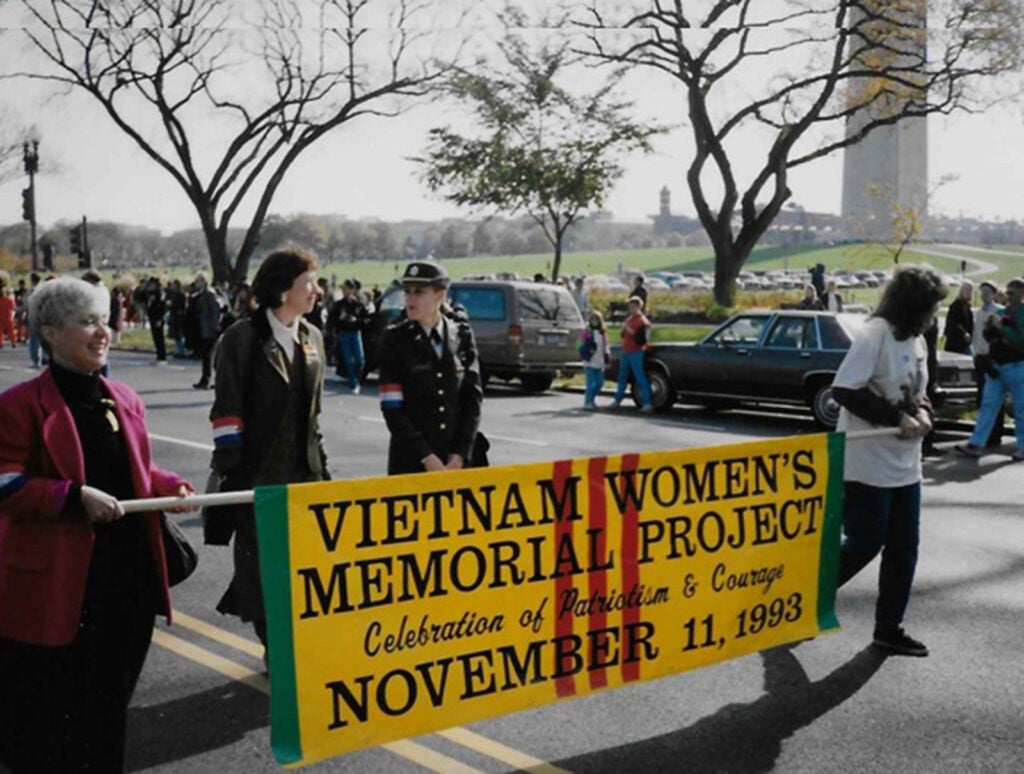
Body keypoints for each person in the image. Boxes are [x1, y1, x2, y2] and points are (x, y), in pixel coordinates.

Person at [0, 277, 195, 773]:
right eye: (87, 321)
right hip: (57, 589)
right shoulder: (19, 405)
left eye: (104, 319)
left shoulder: (123, 397)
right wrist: (71, 497)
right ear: (50, 332)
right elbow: (5, 483)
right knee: (48, 721)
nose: (103, 331)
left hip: (126, 584)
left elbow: (132, 470)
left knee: (108, 714)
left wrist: (167, 485)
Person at [204, 247, 330, 663]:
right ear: (281, 290)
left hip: (305, 477)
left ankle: (292, 646)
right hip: (258, 478)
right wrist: (235, 475)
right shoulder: (241, 339)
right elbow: (226, 413)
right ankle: (278, 651)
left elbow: (313, 416)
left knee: (304, 569)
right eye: (307, 283)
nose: (316, 290)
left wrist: (322, 472)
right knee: (265, 571)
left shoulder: (312, 337)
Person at [831, 264, 947, 657]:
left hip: (904, 463)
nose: (933, 315)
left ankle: (889, 628)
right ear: (911, 304)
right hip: (866, 460)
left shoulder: (917, 340)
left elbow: (919, 392)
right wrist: (896, 417)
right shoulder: (874, 334)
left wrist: (925, 413)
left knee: (904, 547)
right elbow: (844, 389)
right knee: (865, 543)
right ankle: (804, 596)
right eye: (929, 307)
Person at [378, 261, 483, 475]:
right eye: (407, 291)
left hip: (455, 462)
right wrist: (426, 456)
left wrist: (460, 454)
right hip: (411, 461)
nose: (410, 298)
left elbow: (472, 400)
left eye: (419, 292)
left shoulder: (461, 334)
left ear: (440, 295)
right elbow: (392, 409)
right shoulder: (395, 339)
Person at [956, 277, 1024, 460]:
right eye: (1007, 292)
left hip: (1017, 366)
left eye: (1013, 293)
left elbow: (1020, 343)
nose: (1008, 297)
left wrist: (1002, 329)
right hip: (997, 366)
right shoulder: (1001, 312)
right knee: (987, 405)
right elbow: (990, 337)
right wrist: (991, 332)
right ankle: (976, 443)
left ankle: (1022, 446)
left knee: (1021, 408)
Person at [969, 280, 1004, 447]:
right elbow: (976, 334)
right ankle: (983, 433)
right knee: (982, 396)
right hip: (980, 356)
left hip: (992, 357)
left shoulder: (997, 311)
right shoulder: (978, 312)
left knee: (994, 396)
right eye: (981, 292)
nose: (983, 295)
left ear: (994, 294)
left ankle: (995, 434)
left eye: (987, 292)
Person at [611, 295, 654, 413]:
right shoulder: (629, 319)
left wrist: (630, 331)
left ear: (639, 307)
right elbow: (623, 335)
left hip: (636, 352)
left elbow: (643, 338)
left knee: (640, 376)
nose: (631, 309)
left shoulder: (642, 321)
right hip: (626, 351)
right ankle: (617, 399)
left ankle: (647, 402)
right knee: (622, 376)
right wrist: (624, 330)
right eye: (630, 307)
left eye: (634, 307)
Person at [330, 278, 370, 393]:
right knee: (348, 360)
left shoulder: (359, 304)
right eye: (344, 289)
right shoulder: (339, 305)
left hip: (355, 332)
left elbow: (366, 319)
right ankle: (353, 383)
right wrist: (340, 320)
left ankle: (357, 379)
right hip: (344, 333)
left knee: (360, 360)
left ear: (353, 290)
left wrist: (356, 320)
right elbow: (332, 319)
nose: (345, 291)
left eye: (347, 289)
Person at [191, 272, 222, 389]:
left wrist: (214, 326)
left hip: (210, 329)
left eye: (198, 280)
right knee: (208, 355)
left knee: (208, 355)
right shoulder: (202, 294)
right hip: (205, 328)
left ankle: (206, 380)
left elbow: (215, 311)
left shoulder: (209, 294)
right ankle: (209, 379)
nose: (196, 283)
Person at [580, 310, 608, 410]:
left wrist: (606, 358)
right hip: (589, 361)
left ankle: (592, 399)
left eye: (597, 319)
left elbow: (605, 346)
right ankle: (587, 402)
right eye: (592, 319)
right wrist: (586, 351)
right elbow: (580, 344)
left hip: (599, 361)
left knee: (600, 383)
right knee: (590, 384)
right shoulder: (587, 332)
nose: (594, 321)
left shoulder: (602, 332)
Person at [942, 280, 973, 354]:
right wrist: (964, 333)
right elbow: (953, 323)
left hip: (965, 343)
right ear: (961, 290)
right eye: (966, 290)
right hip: (954, 342)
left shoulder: (968, 306)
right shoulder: (955, 306)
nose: (968, 292)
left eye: (970, 290)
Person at [145, 276, 168, 364]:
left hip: (158, 318)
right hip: (152, 317)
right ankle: (158, 356)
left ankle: (162, 357)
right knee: (155, 337)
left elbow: (162, 307)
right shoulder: (151, 293)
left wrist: (159, 318)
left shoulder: (160, 293)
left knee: (159, 338)